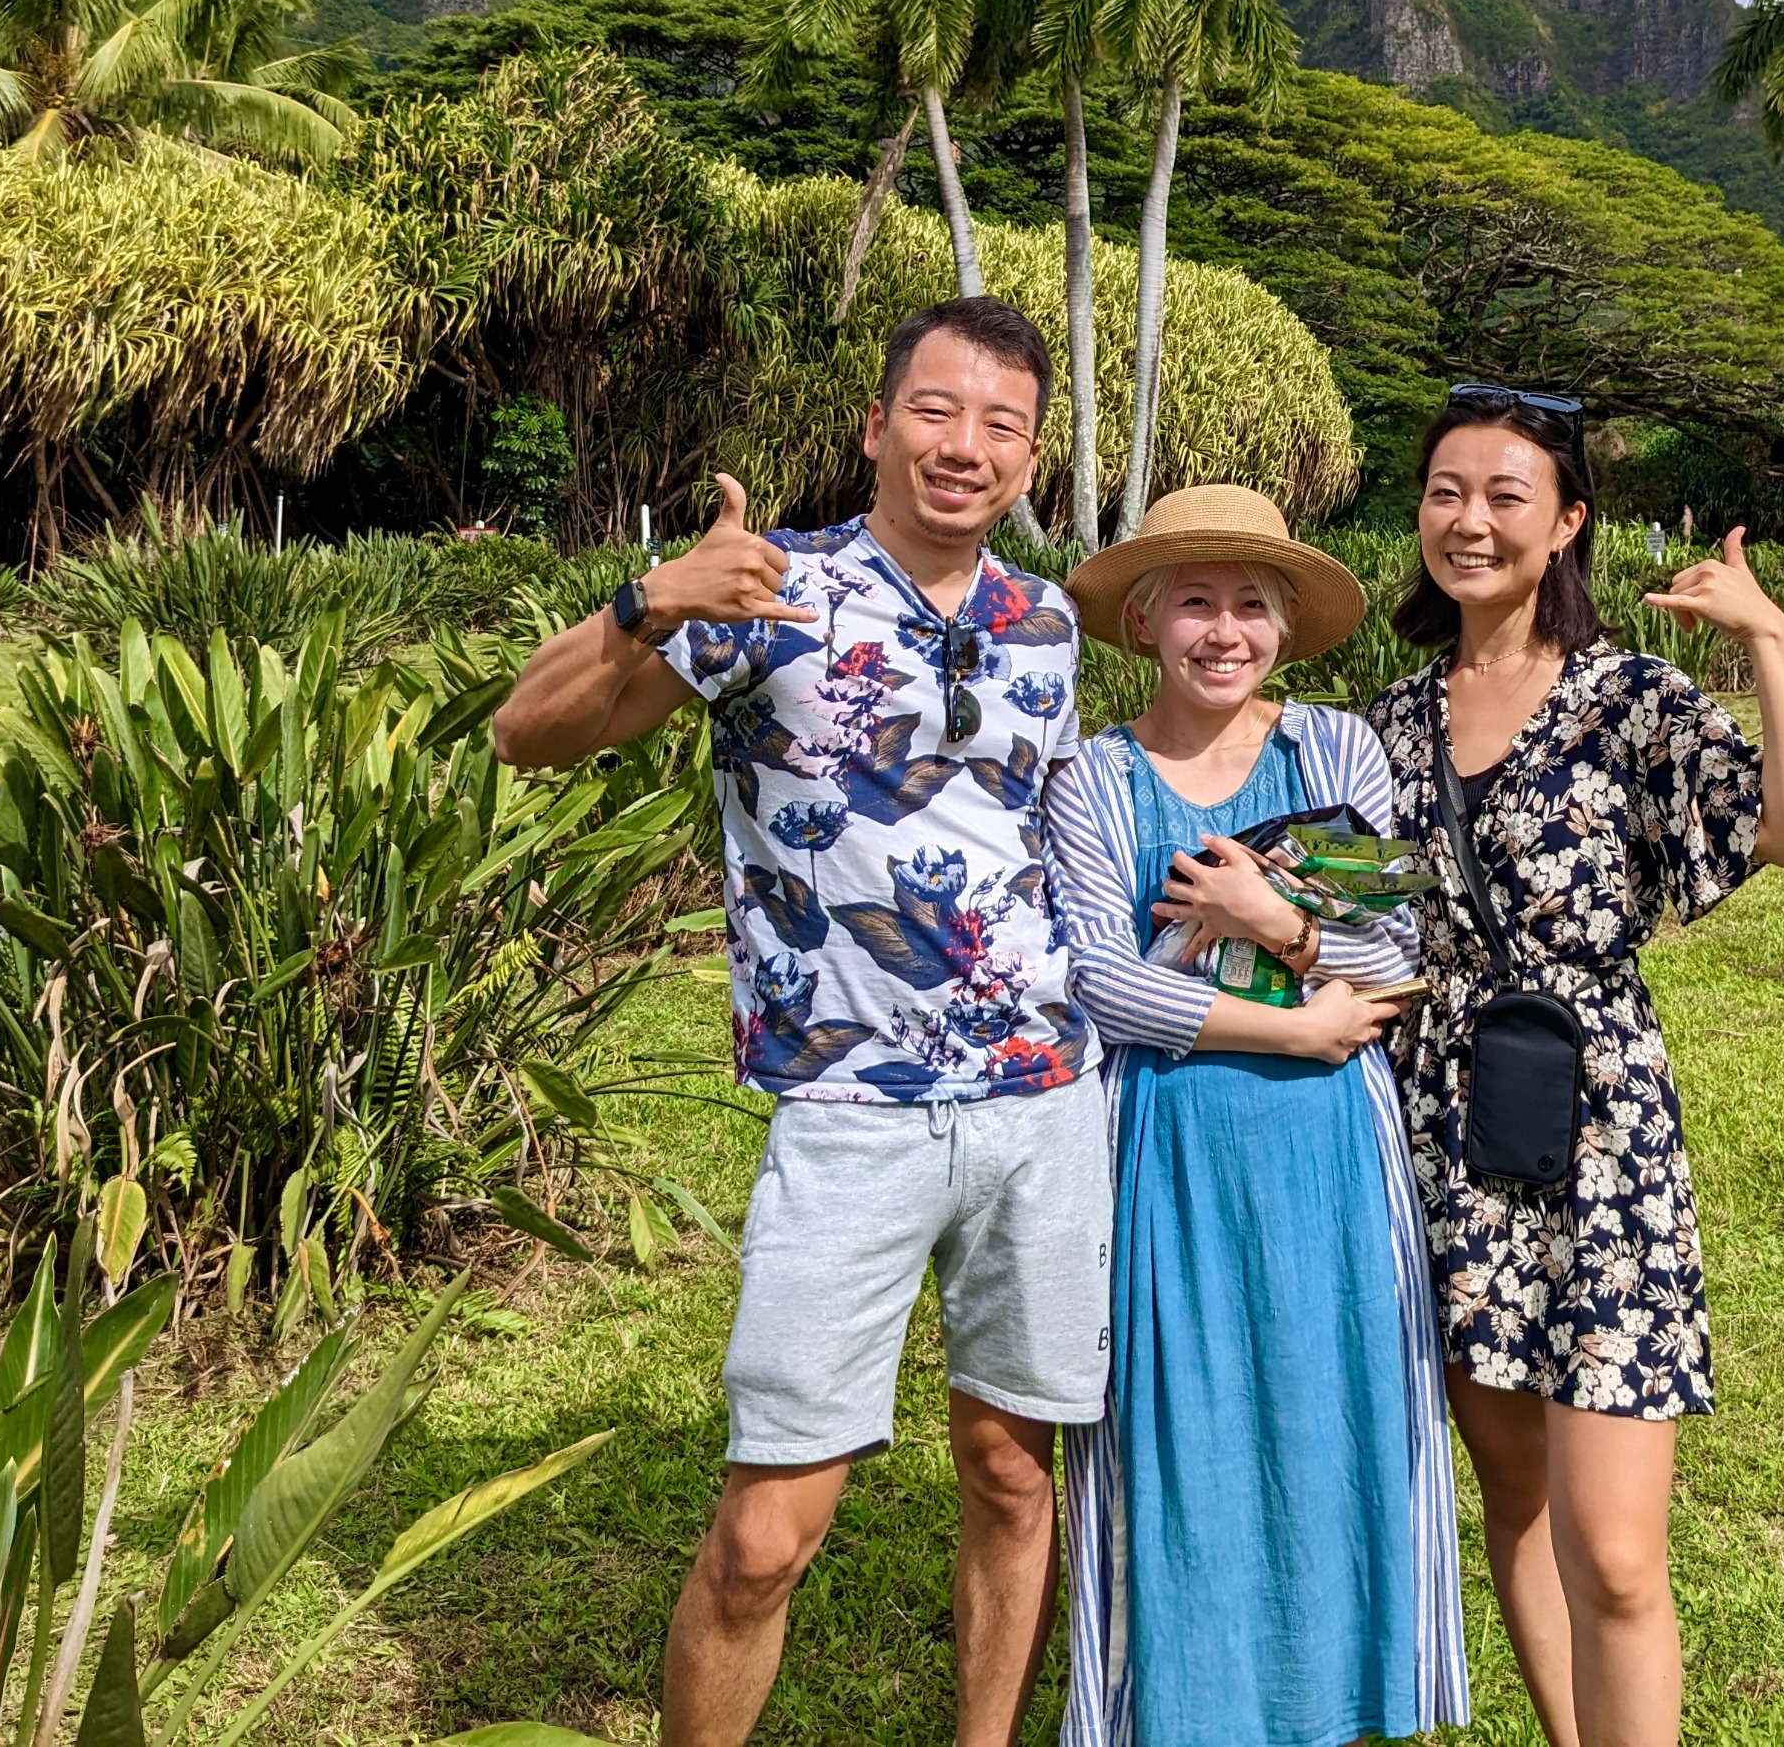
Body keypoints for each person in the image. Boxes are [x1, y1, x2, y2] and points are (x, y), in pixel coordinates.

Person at [492, 296, 1110, 1747]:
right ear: (877, 423)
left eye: (1003, 424)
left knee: (1016, 1472)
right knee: (769, 1527)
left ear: (1030, 457)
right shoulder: (770, 585)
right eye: (938, 410)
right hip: (846, 1111)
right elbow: (530, 733)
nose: (967, 446)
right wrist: (652, 598)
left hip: (1042, 1091)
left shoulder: (1047, 620)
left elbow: (1045, 831)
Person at [1364, 385, 1784, 1747]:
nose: (1471, 519)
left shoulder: (1631, 696)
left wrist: (1771, 639)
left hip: (1600, 1129)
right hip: (1445, 1120)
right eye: (1447, 490)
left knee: (1618, 1553)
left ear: (1566, 520)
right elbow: (1361, 917)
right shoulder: (1391, 719)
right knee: (1510, 1504)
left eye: (1506, 495)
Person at [1043, 483, 1471, 1747]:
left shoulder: (1333, 752)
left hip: (1334, 1154)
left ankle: (1332, 1705)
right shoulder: (1096, 779)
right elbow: (1098, 980)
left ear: (1284, 626)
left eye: (1250, 605)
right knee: (1181, 1434)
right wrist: (1297, 1015)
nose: (1222, 632)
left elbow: (1395, 954)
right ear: (1142, 621)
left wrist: (1267, 920)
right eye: (1194, 603)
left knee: (1336, 1419)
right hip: (1170, 1148)